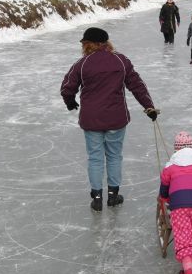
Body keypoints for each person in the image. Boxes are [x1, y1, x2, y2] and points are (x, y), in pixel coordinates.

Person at [60, 27, 158, 212]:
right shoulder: (120, 60)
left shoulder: (82, 64)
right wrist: (149, 106)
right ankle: (113, 196)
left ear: (88, 44)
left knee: (95, 158)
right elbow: (137, 85)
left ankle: (97, 197)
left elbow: (67, 87)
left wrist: (70, 102)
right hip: (116, 119)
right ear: (106, 43)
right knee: (114, 156)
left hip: (92, 120)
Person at [159, 131, 192, 274]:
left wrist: (164, 198)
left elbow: (164, 187)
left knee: (182, 232)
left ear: (176, 149)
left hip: (179, 204)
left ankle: (188, 270)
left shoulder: (170, 167)